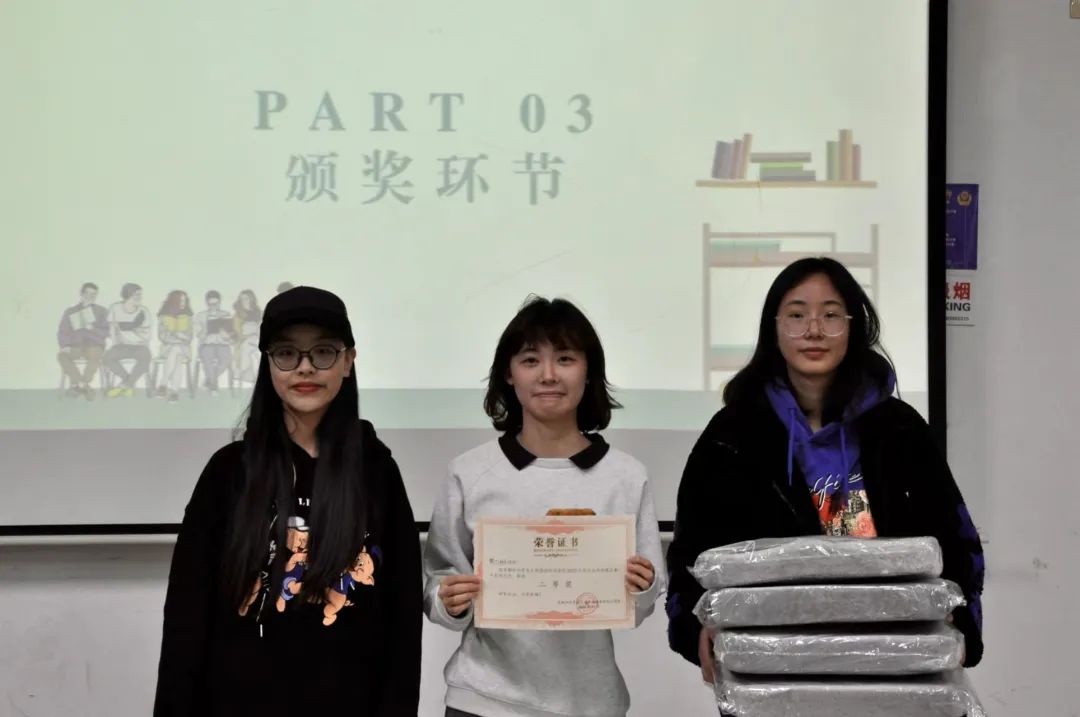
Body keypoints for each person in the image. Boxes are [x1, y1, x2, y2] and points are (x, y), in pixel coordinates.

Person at [665, 257, 985, 686]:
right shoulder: (732, 435)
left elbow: (957, 539)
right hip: (772, 672)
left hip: (895, 665)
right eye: (797, 315)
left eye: (831, 315)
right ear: (774, 328)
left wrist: (961, 622)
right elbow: (690, 553)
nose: (814, 330)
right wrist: (695, 627)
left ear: (853, 326)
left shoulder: (900, 429)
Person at [154, 286, 422, 716]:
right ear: (268, 363)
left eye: (323, 352)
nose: (305, 367)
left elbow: (402, 619)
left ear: (349, 362)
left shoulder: (377, 472)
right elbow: (187, 616)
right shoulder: (229, 472)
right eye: (286, 353)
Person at [423, 296, 665, 717]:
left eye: (565, 359)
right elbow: (439, 581)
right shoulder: (470, 471)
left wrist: (641, 587)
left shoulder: (626, 475)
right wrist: (448, 600)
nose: (548, 375)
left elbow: (646, 598)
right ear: (509, 374)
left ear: (588, 372)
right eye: (530, 360)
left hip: (591, 703)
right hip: (482, 699)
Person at [56, 282, 109, 398]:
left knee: (95, 355)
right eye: (87, 293)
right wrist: (65, 345)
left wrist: (93, 328)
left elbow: (106, 332)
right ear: (81, 294)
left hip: (94, 345)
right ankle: (82, 384)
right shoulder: (70, 311)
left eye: (93, 294)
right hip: (75, 345)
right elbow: (63, 330)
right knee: (62, 356)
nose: (90, 296)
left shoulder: (102, 311)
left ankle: (79, 386)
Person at [104, 282, 152, 397]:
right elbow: (111, 329)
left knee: (146, 356)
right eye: (137, 294)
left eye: (140, 295)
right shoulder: (115, 308)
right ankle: (129, 383)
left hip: (139, 346)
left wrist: (123, 327)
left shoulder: (143, 311)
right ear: (128, 295)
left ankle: (124, 385)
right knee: (107, 357)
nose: (140, 297)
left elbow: (146, 336)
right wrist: (116, 341)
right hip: (121, 345)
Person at [156, 290, 194, 402]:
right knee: (177, 356)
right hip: (167, 348)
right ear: (173, 301)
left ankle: (163, 384)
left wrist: (181, 337)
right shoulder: (163, 316)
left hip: (184, 348)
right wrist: (176, 337)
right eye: (180, 300)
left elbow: (189, 337)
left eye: (184, 301)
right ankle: (174, 392)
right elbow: (162, 336)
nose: (183, 303)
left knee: (177, 351)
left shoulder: (188, 316)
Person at [194, 290, 234, 394]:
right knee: (208, 359)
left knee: (226, 360)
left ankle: (210, 379)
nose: (213, 307)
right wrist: (207, 326)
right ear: (207, 303)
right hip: (207, 344)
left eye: (216, 304)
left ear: (219, 302)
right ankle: (213, 386)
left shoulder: (226, 314)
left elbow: (231, 335)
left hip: (223, 344)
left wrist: (226, 334)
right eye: (211, 304)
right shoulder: (200, 316)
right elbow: (199, 336)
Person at [232, 289, 262, 383]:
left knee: (259, 352)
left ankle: (260, 376)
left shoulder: (258, 312)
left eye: (246, 298)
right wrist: (249, 335)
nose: (244, 301)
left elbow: (262, 327)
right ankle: (244, 372)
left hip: (257, 339)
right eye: (241, 299)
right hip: (244, 340)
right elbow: (237, 333)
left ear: (251, 299)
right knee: (247, 348)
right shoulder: (237, 315)